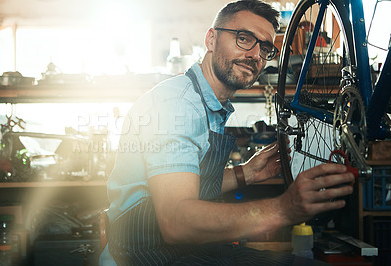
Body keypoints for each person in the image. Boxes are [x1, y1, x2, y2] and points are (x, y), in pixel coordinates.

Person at [100, 0, 355, 265]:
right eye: (244, 38)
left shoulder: (209, 104)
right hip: (145, 256)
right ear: (211, 39)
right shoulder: (177, 105)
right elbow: (176, 222)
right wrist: (283, 208)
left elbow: (181, 183)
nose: (256, 55)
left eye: (265, 47)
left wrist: (246, 173)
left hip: (183, 251)